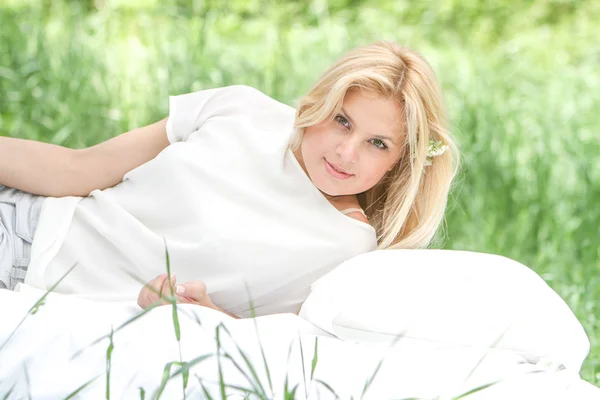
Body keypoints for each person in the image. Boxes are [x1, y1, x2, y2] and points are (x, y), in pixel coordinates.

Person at [0, 41, 459, 318]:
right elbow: (76, 169)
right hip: (24, 218)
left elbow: (271, 343)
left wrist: (207, 316)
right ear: (319, 102)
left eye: (377, 143)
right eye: (342, 120)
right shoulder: (241, 110)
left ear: (402, 161)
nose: (346, 152)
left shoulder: (348, 249)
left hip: (45, 288)